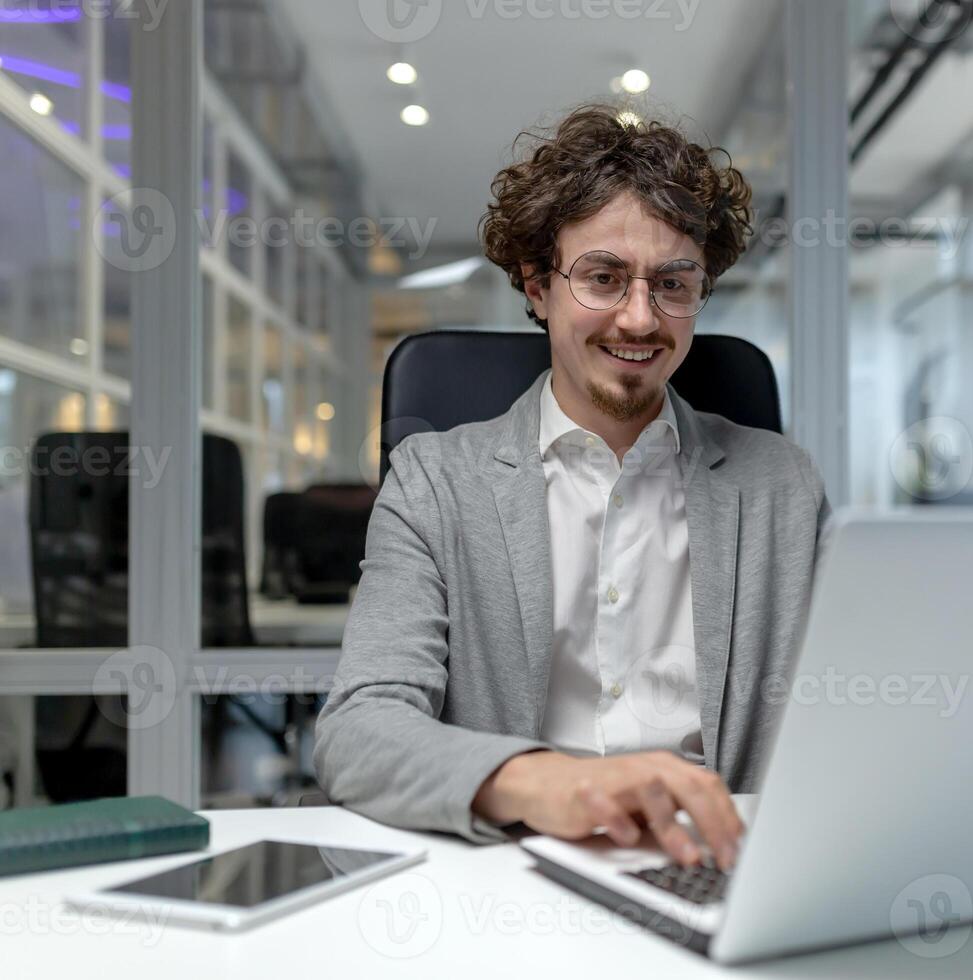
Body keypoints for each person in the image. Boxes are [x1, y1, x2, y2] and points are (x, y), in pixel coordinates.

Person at [314, 104, 830, 872]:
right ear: (537, 283)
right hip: (507, 872)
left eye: (673, 284)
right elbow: (359, 731)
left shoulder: (780, 486)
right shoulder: (435, 482)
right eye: (603, 277)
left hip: (720, 874)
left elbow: (849, 719)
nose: (639, 317)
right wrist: (540, 782)